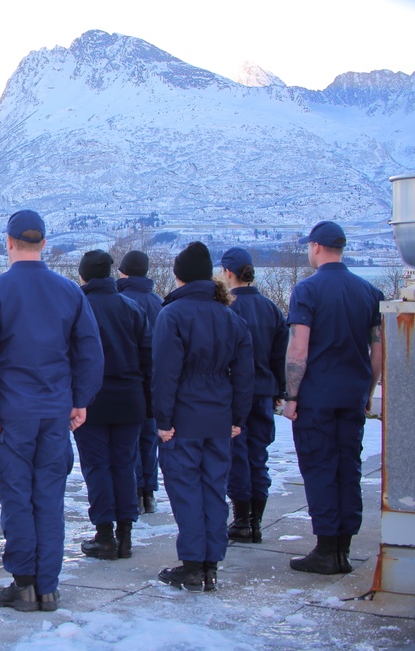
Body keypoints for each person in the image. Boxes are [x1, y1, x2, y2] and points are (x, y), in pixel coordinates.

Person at [0, 210, 103, 613]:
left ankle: (24, 583)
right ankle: (47, 586)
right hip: (54, 412)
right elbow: (90, 353)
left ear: (8, 242)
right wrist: (80, 400)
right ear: (44, 244)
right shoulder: (69, 292)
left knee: (16, 497)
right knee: (49, 498)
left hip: (11, 413)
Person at [284, 221, 383, 575]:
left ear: (315, 247)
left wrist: (291, 395)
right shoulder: (369, 292)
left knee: (320, 467)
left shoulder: (308, 291)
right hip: (352, 394)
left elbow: (299, 347)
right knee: (347, 468)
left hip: (317, 396)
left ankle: (326, 548)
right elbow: (377, 350)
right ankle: (344, 547)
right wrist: (368, 392)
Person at [153, 241, 253, 592]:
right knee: (213, 488)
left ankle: (193, 564)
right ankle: (211, 562)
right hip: (219, 415)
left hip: (183, 416)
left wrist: (162, 420)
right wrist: (237, 415)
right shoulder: (230, 316)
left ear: (178, 276)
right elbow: (244, 374)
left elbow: (165, 373)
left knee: (185, 488)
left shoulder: (173, 315)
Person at [75, 250, 152, 561]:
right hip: (130, 398)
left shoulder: (79, 307)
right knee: (125, 464)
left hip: (91, 399)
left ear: (84, 275)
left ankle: (104, 534)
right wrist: (148, 402)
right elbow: (148, 358)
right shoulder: (131, 307)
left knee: (97, 466)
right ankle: (125, 534)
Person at [219, 247, 289, 543]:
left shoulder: (228, 310)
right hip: (263, 392)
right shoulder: (270, 308)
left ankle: (241, 519)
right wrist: (280, 389)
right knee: (258, 457)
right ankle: (256, 522)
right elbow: (280, 355)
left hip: (236, 395)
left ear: (228, 273)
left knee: (237, 456)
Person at [116, 250, 163, 514]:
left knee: (131, 438)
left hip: (130, 378)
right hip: (155, 380)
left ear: (123, 272)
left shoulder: (123, 300)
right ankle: (149, 493)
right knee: (150, 437)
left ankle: (135, 488)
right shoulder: (157, 302)